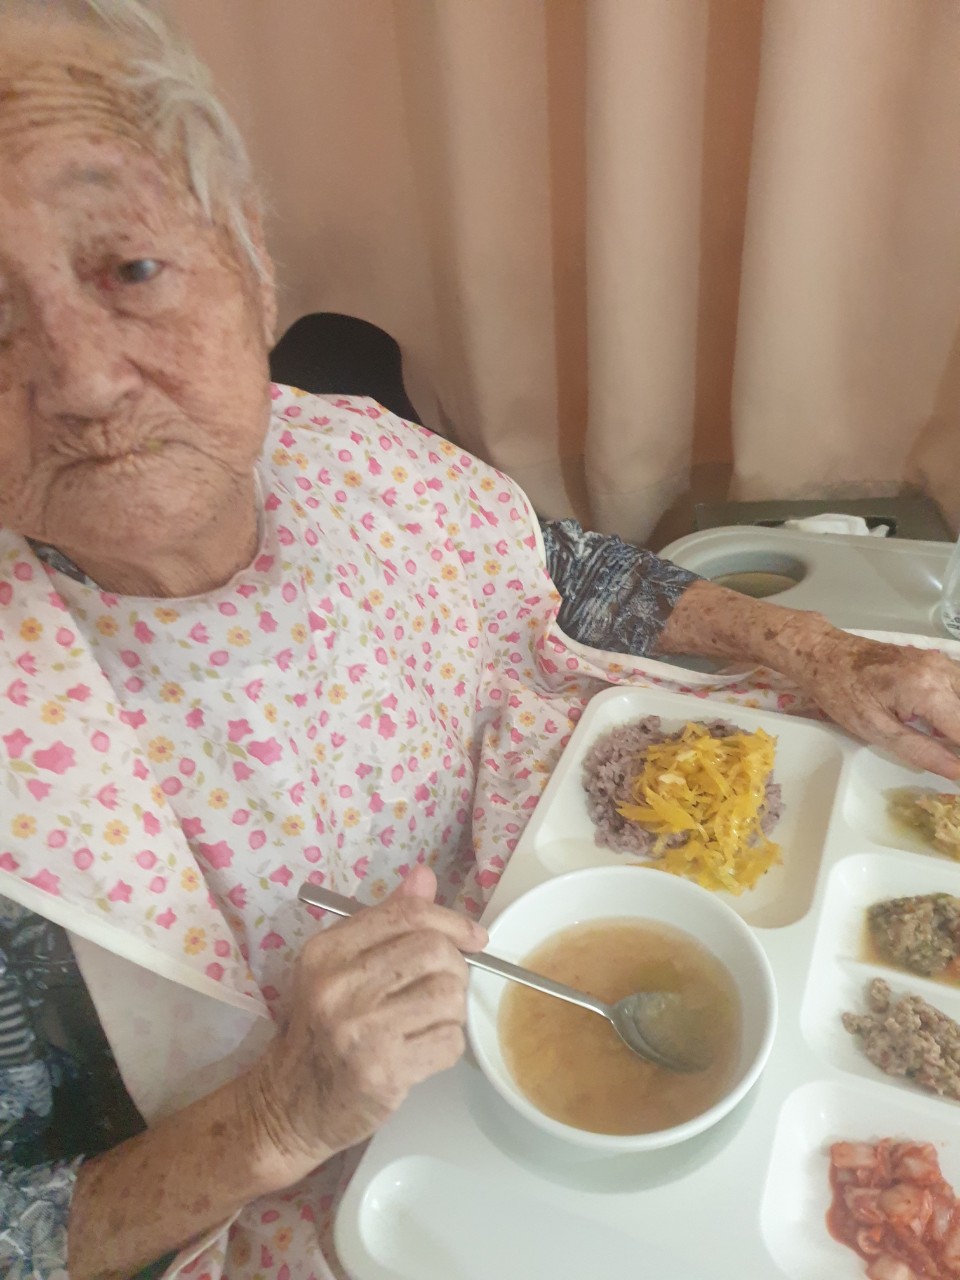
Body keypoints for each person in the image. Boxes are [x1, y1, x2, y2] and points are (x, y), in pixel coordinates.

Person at [2, 3, 960, 1278]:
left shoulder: (342, 445)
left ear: (252, 265)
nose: (80, 378)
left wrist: (822, 650)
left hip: (600, 872)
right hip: (353, 1174)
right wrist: (274, 1116)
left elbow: (557, 570)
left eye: (129, 268)